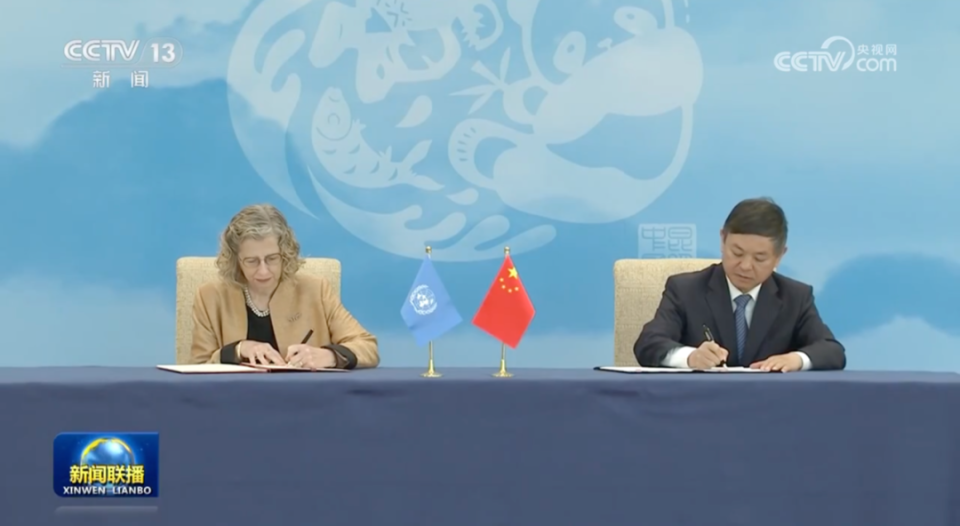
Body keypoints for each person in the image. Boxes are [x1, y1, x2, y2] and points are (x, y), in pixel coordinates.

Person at [634, 198, 845, 371]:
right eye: (737, 253)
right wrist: (690, 357)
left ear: (780, 256)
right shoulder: (685, 290)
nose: (745, 266)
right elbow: (648, 343)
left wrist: (796, 359)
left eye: (759, 258)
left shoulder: (795, 297)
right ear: (722, 240)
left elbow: (832, 350)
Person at [189, 204, 379, 369]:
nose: (263, 271)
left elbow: (367, 346)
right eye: (252, 261)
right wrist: (238, 350)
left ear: (285, 254)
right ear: (236, 261)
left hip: (305, 397)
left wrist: (330, 356)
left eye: (272, 259)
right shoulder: (210, 297)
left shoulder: (316, 290)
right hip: (235, 397)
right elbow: (197, 367)